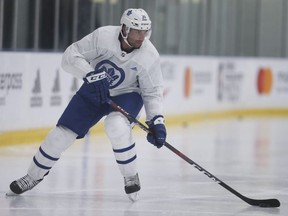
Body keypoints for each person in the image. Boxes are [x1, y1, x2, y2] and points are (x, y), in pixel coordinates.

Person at [6, 8, 167, 201]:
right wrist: (90, 74)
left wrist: (156, 120)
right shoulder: (103, 37)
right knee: (59, 136)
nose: (142, 37)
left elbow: (152, 92)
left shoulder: (149, 55)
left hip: (128, 93)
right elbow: (70, 56)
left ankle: (130, 175)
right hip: (95, 88)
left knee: (116, 126)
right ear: (124, 29)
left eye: (145, 32)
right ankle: (32, 177)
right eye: (137, 31)